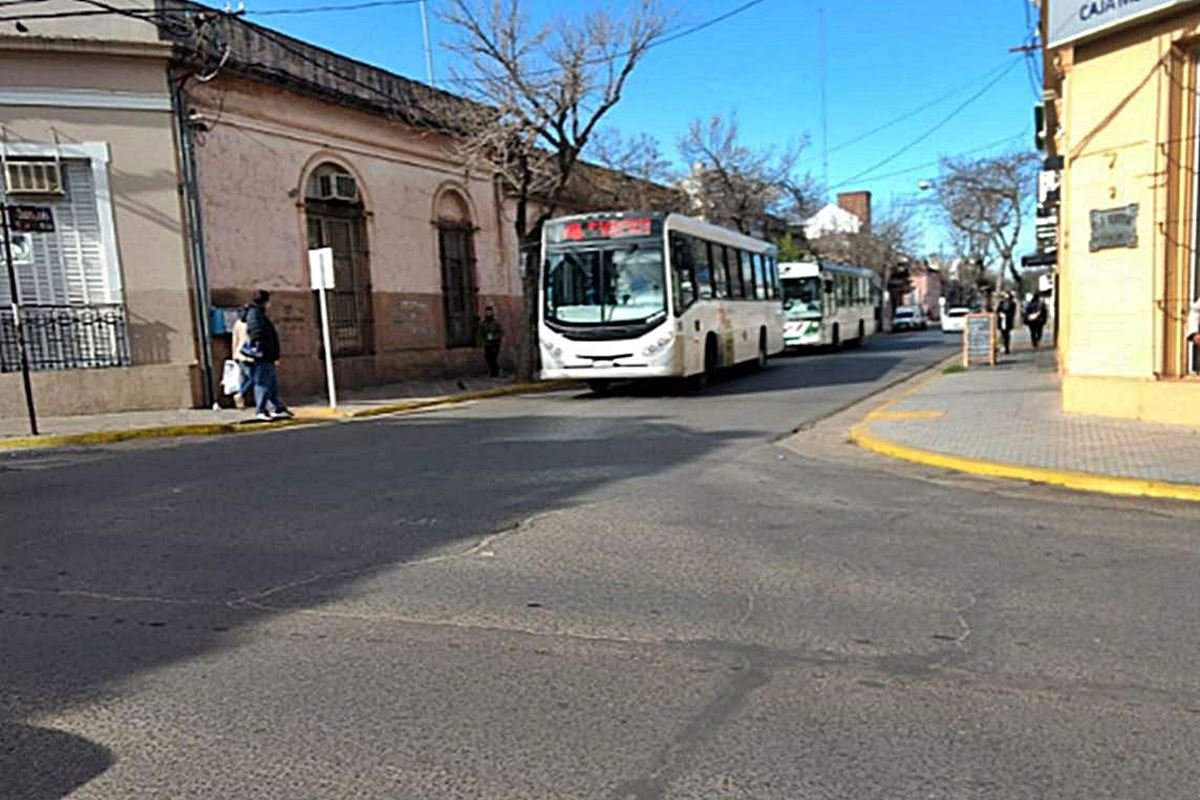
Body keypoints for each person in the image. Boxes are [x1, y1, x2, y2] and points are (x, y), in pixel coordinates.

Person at [244, 289, 293, 421]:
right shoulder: (255, 314)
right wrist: (259, 346)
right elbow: (256, 332)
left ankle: (277, 408)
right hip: (263, 355)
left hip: (268, 355)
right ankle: (261, 409)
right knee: (262, 383)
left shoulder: (259, 314)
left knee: (271, 384)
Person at [229, 304, 255, 409]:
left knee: (245, 378)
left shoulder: (238, 323)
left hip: (239, 354)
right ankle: (240, 394)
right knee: (254, 378)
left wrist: (234, 354)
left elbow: (235, 339)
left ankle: (241, 398)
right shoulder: (251, 323)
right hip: (249, 354)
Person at [479, 306, 504, 378]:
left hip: (495, 343)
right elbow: (481, 333)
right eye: (487, 312)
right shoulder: (483, 323)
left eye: (490, 312)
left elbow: (501, 332)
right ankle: (496, 370)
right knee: (488, 357)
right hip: (487, 343)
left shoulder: (496, 323)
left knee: (493, 357)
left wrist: (494, 337)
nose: (489, 314)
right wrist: (483, 340)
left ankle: (494, 372)